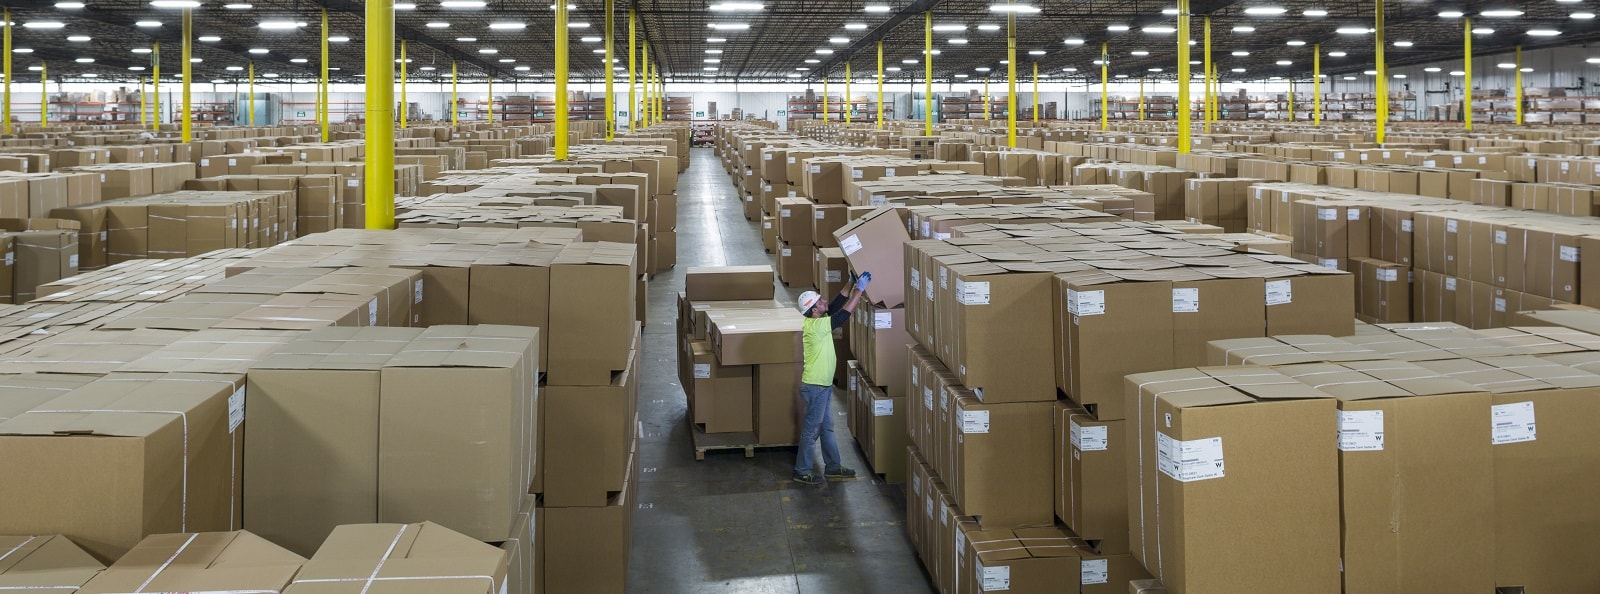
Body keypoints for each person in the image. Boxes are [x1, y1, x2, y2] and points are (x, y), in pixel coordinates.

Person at [793, 271, 872, 485]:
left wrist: (851, 283)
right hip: (815, 386)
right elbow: (843, 313)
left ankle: (833, 467)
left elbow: (836, 304)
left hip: (823, 386)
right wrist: (860, 290)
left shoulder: (818, 319)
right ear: (814, 309)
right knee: (812, 430)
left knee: (827, 427)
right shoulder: (817, 327)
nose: (824, 301)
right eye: (820, 301)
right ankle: (802, 470)